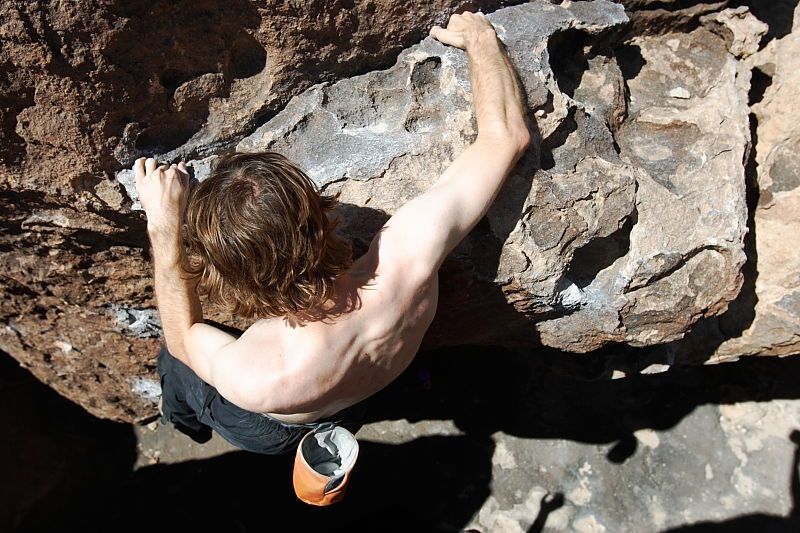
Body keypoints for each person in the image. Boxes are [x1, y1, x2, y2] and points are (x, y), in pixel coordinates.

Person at [134, 10, 530, 454]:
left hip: (275, 427)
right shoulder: (409, 259)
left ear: (231, 275)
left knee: (173, 363)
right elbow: (505, 139)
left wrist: (164, 225)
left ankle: (185, 423)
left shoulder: (258, 377)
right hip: (365, 386)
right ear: (319, 215)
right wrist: (479, 38)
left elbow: (183, 337)